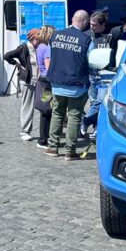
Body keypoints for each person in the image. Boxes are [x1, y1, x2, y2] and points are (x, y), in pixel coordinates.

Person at [43, 10, 93, 159]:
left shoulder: (55, 36)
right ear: (84, 22)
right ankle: (69, 151)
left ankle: (52, 147)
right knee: (74, 117)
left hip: (57, 83)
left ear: (72, 19)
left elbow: (50, 57)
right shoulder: (86, 40)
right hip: (77, 85)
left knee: (57, 114)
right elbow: (93, 62)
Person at [4, 29, 41, 141]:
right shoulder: (23, 48)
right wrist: (18, 65)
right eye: (38, 38)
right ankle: (25, 130)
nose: (39, 41)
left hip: (40, 81)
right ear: (33, 38)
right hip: (28, 80)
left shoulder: (40, 48)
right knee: (28, 106)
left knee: (44, 105)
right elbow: (7, 56)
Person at [82, 11, 112, 137]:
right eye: (90, 24)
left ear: (102, 24)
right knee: (94, 101)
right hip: (91, 75)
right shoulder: (86, 35)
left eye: (94, 25)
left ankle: (86, 121)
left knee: (100, 101)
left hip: (105, 75)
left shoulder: (110, 33)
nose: (91, 27)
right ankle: (95, 128)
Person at [33, 26, 55, 149]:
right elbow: (48, 66)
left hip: (42, 79)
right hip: (47, 81)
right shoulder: (47, 48)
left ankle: (44, 138)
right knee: (47, 111)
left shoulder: (40, 47)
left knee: (45, 111)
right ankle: (43, 139)